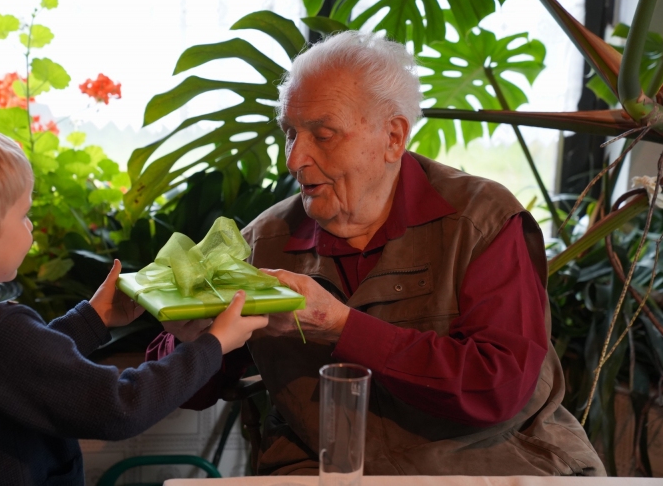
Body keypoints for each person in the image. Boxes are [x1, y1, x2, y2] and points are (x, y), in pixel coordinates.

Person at [148, 31, 605, 476]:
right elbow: (183, 390)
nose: (294, 159)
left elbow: (498, 386)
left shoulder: (482, 221)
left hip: (492, 462)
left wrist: (342, 326)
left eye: (323, 134)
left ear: (393, 138)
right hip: (323, 469)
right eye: (290, 132)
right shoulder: (263, 242)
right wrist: (189, 340)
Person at [0, 115, 268, 484]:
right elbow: (120, 406)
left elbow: (11, 368)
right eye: (23, 215)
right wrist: (212, 345)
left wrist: (94, 317)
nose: (30, 227)